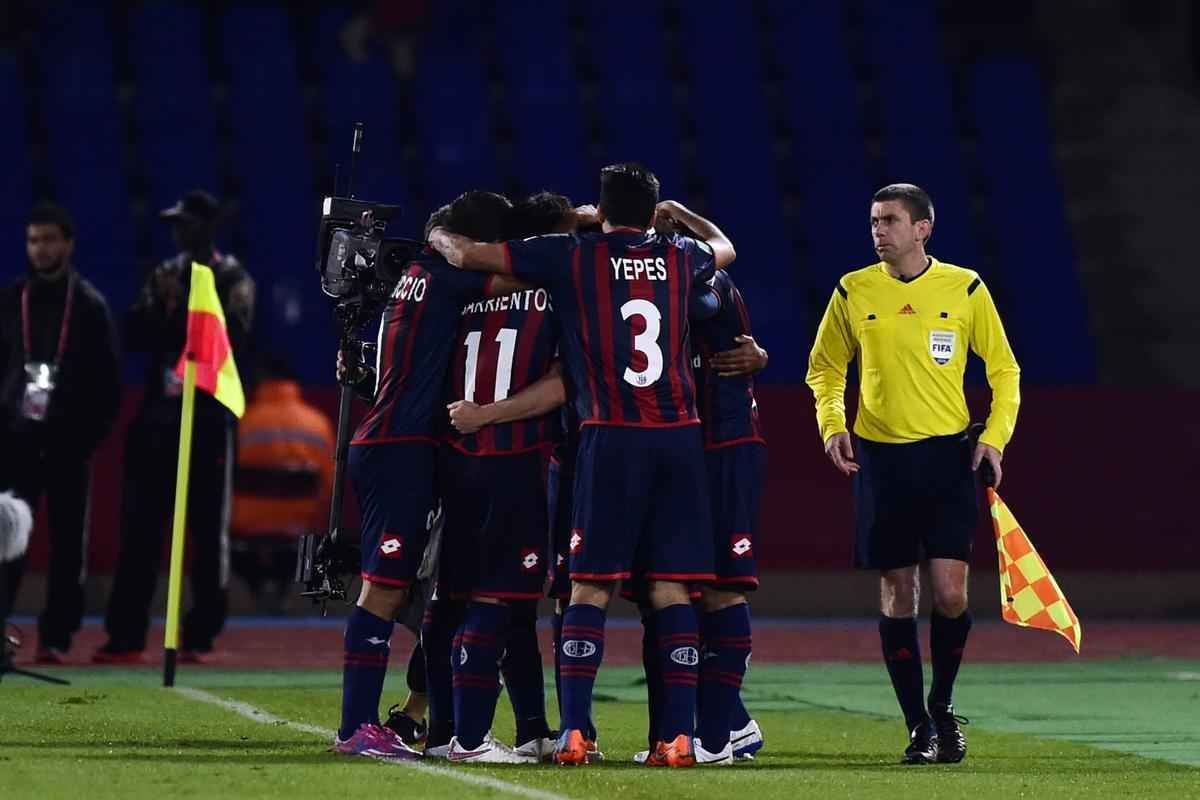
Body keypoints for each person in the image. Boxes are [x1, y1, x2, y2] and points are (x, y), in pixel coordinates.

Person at [428, 162, 736, 767]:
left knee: (589, 585)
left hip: (610, 436)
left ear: (601, 209)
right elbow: (724, 247)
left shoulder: (573, 255)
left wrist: (436, 235)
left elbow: (468, 258)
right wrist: (677, 214)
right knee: (671, 586)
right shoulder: (678, 255)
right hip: (678, 438)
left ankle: (574, 733)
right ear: (651, 213)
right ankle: (674, 740)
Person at [805, 183, 1020, 764]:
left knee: (950, 593)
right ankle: (917, 725)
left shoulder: (965, 286)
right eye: (874, 221)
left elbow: (1005, 372)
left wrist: (994, 439)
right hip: (881, 459)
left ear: (923, 227)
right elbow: (824, 368)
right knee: (899, 592)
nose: (879, 231)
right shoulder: (852, 289)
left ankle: (943, 707)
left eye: (890, 221)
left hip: (948, 457)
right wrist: (832, 425)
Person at [332, 191, 522, 761]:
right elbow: (522, 282)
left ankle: (373, 722)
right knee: (384, 588)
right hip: (401, 448)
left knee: (391, 586)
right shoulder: (447, 276)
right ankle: (356, 728)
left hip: (388, 440)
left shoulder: (412, 277)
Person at [95, 190, 255, 664]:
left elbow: (236, 340)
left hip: (208, 419)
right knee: (140, 527)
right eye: (175, 225)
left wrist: (191, 314)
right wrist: (162, 311)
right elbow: (135, 332)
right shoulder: (164, 274)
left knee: (209, 531)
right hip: (159, 418)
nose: (179, 232)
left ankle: (201, 631)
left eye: (187, 224)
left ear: (208, 227)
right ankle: (124, 633)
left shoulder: (232, 278)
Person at [0, 203, 121, 663]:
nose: (41, 248)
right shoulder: (12, 300)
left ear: (68, 244)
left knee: (69, 544)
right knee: (7, 537)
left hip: (70, 444)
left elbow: (108, 383)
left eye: (49, 239)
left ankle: (56, 637)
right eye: (33, 240)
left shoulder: (89, 305)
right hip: (16, 441)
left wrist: (86, 438)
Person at [229, 357, 335, 614]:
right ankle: (282, 593)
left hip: (246, 524)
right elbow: (330, 485)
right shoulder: (317, 423)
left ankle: (257, 592)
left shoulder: (242, 421)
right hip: (302, 525)